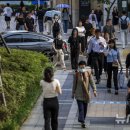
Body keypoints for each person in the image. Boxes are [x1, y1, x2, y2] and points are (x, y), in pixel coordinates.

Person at [72, 61, 97, 128]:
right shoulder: (76, 74)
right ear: (79, 67)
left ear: (85, 67)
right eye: (81, 67)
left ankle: (83, 120)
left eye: (83, 67)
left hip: (86, 94)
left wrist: (94, 90)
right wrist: (73, 93)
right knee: (81, 108)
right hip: (78, 94)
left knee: (85, 109)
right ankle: (82, 121)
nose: (82, 68)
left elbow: (92, 82)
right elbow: (74, 84)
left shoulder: (88, 73)